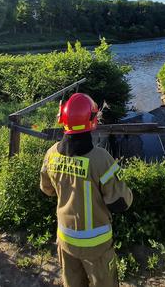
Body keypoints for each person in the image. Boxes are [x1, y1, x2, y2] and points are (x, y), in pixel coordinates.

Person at [40, 93, 133, 287]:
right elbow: (120, 203)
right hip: (96, 246)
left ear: (63, 120)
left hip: (65, 239)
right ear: (91, 121)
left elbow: (46, 189)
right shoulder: (100, 159)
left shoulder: (51, 154)